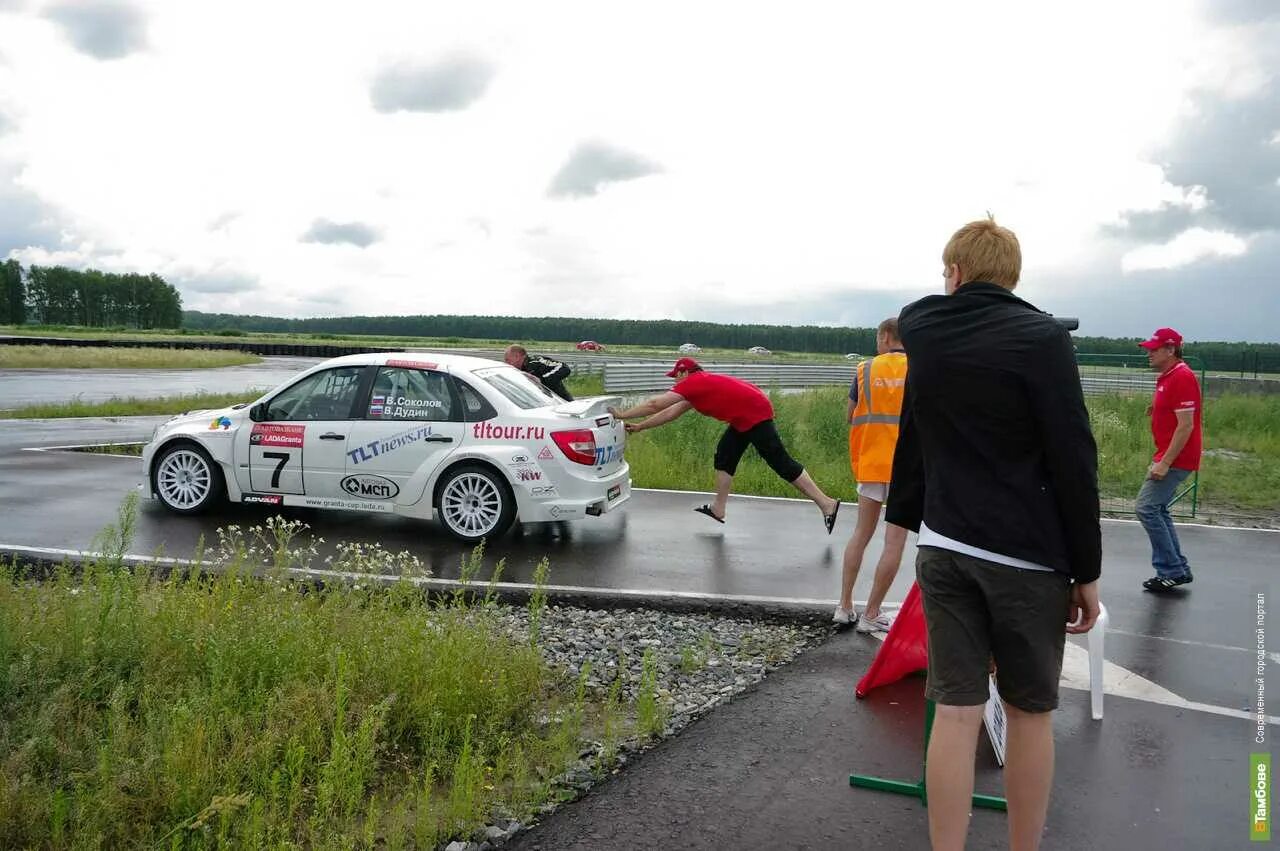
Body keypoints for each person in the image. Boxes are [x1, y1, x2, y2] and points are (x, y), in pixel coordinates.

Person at [886, 217, 1101, 851]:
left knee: (954, 713)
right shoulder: (1042, 340)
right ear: (1012, 278)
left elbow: (916, 425)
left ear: (953, 273)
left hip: (945, 546)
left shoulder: (925, 332)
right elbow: (1072, 455)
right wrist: (1084, 569)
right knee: (1030, 716)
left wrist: (905, 515)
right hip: (1026, 558)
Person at [608, 357, 841, 532]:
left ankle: (827, 504)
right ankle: (718, 509)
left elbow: (655, 404)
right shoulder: (699, 385)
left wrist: (622, 414)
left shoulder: (694, 382)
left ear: (684, 372)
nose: (675, 381)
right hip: (745, 416)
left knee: (781, 463)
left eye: (675, 376)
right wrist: (640, 427)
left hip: (754, 414)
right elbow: (670, 413)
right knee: (724, 456)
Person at [834, 317, 909, 632]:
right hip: (906, 468)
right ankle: (872, 613)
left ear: (887, 336)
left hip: (871, 462)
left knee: (861, 535)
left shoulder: (864, 370)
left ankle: (844, 606)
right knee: (894, 543)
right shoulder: (920, 368)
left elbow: (850, 414)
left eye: (878, 338)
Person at [1136, 327, 1201, 592]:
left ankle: (1172, 570)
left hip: (1176, 457)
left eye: (1154, 349)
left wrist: (1164, 463)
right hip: (1168, 454)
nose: (1149, 353)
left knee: (1146, 508)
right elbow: (1175, 411)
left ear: (1171, 350)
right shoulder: (1168, 376)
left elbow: (1185, 426)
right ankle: (1177, 568)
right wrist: (1157, 409)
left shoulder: (1181, 376)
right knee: (1158, 509)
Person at [504, 344, 574, 400]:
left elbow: (564, 368)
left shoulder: (536, 362)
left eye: (507, 360)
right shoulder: (517, 370)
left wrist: (542, 380)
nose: (506, 363)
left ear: (517, 356)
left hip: (562, 402)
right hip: (542, 404)